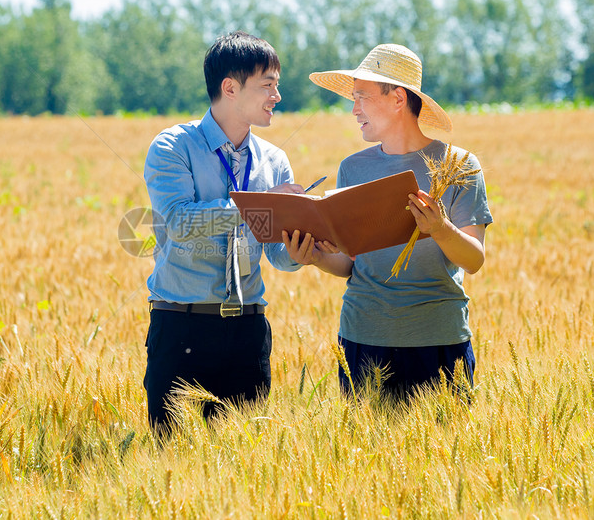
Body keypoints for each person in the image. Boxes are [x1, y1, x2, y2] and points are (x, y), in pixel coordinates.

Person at [285, 43, 493, 400]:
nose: (353, 109)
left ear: (398, 98)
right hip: (361, 340)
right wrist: (315, 257)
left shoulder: (459, 165)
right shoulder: (353, 168)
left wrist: (440, 228)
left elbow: (473, 260)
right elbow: (351, 264)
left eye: (362, 97)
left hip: (438, 342)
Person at [142, 31, 305, 437]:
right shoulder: (173, 147)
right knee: (171, 466)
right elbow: (180, 223)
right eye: (268, 85)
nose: (277, 96)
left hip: (249, 333)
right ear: (229, 88)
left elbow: (277, 254)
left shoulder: (274, 159)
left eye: (277, 85)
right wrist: (263, 202)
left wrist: (305, 245)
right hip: (182, 329)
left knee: (244, 469)